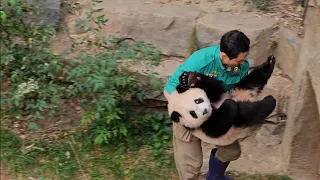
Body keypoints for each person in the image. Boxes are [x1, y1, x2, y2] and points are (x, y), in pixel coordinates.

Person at [163, 30, 251, 180]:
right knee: (190, 169)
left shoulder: (241, 67)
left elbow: (236, 91)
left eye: (244, 59)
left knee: (232, 151)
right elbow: (169, 88)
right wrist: (186, 114)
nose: (243, 64)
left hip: (215, 113)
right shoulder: (200, 61)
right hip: (188, 115)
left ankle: (214, 176)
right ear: (224, 56)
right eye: (239, 60)